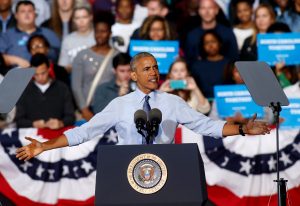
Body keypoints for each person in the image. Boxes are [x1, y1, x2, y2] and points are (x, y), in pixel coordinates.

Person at [15, 52, 270, 161]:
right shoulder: (119, 105)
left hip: (167, 168)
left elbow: (208, 125)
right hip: (127, 169)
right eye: (146, 68)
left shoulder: (172, 102)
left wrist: (242, 129)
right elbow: (83, 131)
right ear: (133, 76)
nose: (153, 72)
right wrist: (45, 146)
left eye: (156, 67)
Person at [71, 16, 118, 121]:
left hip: (109, 111)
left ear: (110, 33)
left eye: (103, 31)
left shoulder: (117, 56)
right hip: (87, 110)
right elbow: (76, 86)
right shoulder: (82, 55)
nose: (99, 35)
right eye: (97, 31)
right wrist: (84, 110)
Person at [15, 53, 75, 129]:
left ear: (49, 69)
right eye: (36, 74)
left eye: (43, 73)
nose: (40, 78)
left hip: (57, 134)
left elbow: (71, 116)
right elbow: (19, 120)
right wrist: (32, 124)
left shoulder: (62, 88)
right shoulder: (24, 90)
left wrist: (61, 123)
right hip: (32, 135)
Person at [185, 0, 238, 64]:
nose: (207, 12)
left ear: (216, 10)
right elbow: (188, 61)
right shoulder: (192, 35)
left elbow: (234, 59)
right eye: (203, 8)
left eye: (210, 8)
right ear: (199, 11)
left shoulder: (227, 33)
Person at [58, 3, 95, 72]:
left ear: (91, 17)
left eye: (84, 17)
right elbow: (62, 67)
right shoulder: (68, 40)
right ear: (73, 20)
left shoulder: (99, 37)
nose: (81, 21)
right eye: (77, 18)